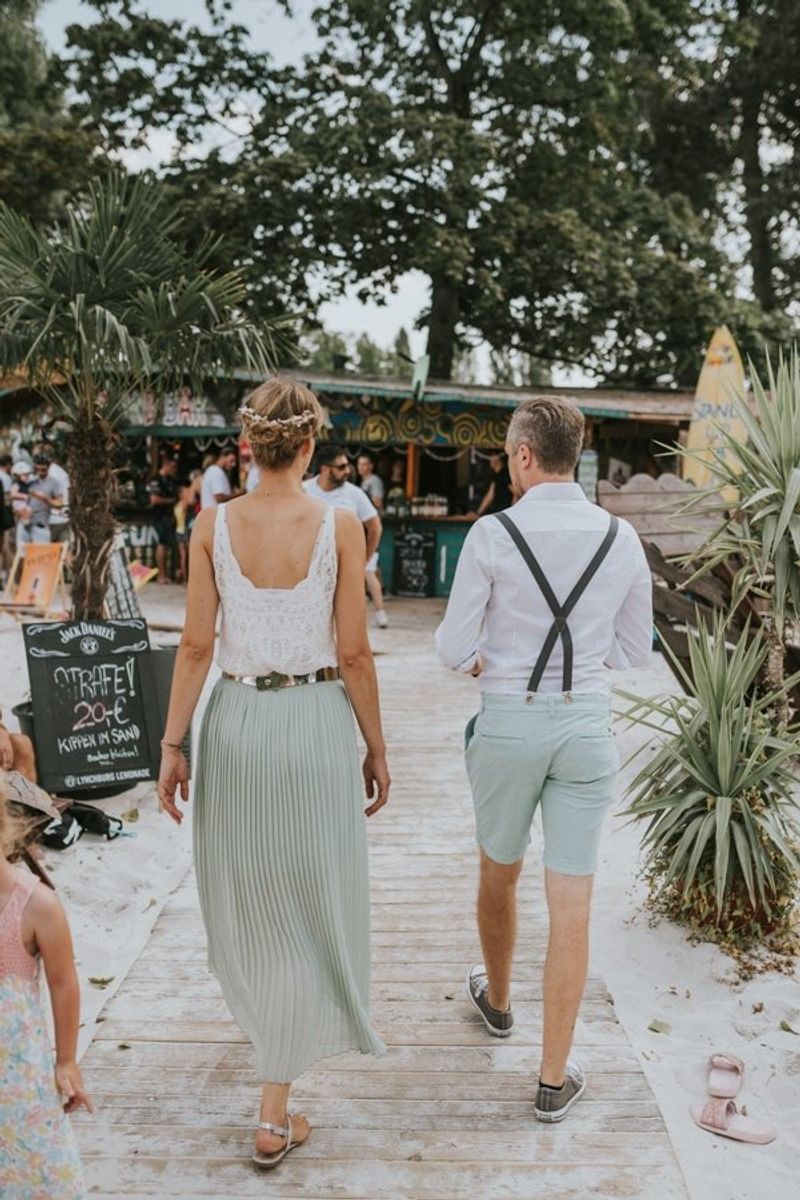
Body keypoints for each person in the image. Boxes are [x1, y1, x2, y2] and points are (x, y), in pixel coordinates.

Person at [157, 378, 389, 1170]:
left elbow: (193, 647)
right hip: (318, 721)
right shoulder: (341, 525)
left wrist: (172, 744)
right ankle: (273, 1107)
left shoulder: (211, 524)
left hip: (238, 723)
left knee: (252, 896)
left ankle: (275, 1089)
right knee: (308, 897)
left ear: (248, 444)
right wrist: (377, 746)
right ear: (314, 443)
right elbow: (355, 652)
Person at [435, 396, 653, 1124]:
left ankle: (498, 1004)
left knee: (499, 871)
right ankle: (553, 1079)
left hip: (508, 724)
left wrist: (488, 662)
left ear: (525, 455)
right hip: (587, 728)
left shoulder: (492, 535)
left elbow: (450, 649)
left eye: (507, 453)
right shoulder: (620, 537)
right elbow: (633, 650)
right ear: (577, 453)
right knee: (574, 902)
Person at [0, 779, 93, 1198]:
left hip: (20, 1082)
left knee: (41, 1176)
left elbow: (63, 982)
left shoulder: (35, 905)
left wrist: (67, 1061)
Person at [304, 446, 389, 629]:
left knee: (347, 623)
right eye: (341, 467)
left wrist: (364, 559)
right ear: (325, 469)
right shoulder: (304, 491)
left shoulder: (354, 493)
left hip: (345, 568)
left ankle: (380, 612)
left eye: (347, 466)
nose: (348, 471)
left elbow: (375, 526)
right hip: (309, 569)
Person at [147, 454, 180, 583]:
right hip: (159, 516)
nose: (174, 469)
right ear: (165, 464)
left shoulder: (170, 481)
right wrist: (171, 501)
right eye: (172, 466)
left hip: (170, 517)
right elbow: (154, 499)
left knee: (167, 545)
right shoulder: (156, 479)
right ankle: (161, 575)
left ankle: (166, 574)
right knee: (162, 543)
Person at [474, 451, 513, 516]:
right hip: (498, 513)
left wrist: (512, 510)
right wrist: (478, 513)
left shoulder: (505, 474)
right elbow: (490, 495)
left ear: (497, 458)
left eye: (492, 457)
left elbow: (516, 492)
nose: (490, 459)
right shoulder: (496, 475)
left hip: (505, 512)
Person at [45, 450, 71, 547]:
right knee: (65, 549)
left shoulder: (50, 473)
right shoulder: (62, 473)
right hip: (64, 517)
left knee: (46, 551)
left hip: (52, 518)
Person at [0, 453, 14, 582]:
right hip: (4, 518)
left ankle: (6, 577)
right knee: (5, 548)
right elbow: (7, 499)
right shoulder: (5, 478)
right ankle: (8, 577)